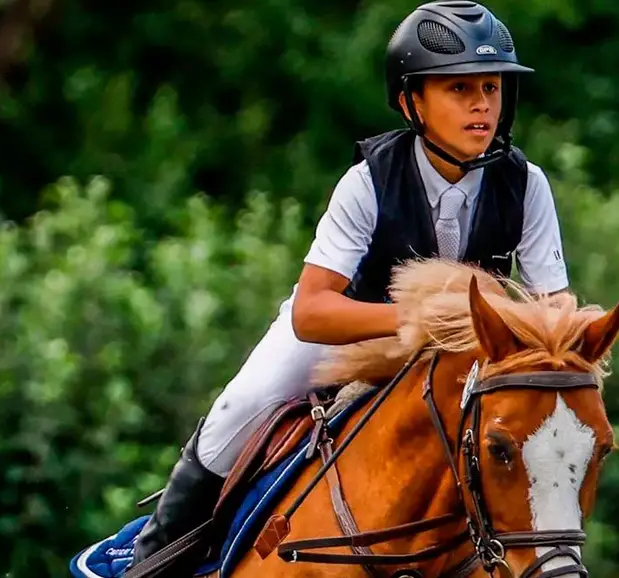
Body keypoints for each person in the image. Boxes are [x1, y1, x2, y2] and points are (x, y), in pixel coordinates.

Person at [128, 0, 570, 573]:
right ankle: (153, 558)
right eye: (459, 89)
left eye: (492, 87)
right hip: (346, 335)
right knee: (238, 408)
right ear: (413, 100)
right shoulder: (367, 182)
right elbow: (312, 313)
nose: (482, 103)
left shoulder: (527, 185)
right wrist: (420, 323)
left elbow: (553, 308)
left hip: (462, 361)